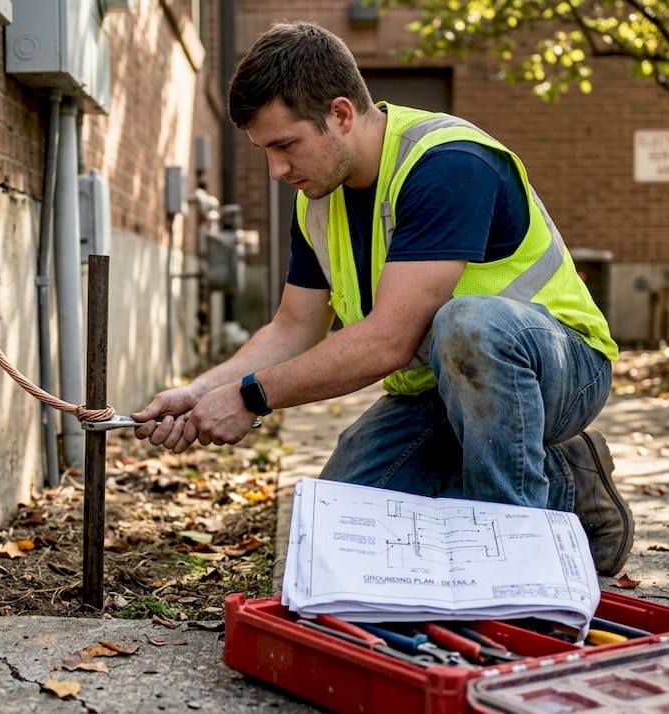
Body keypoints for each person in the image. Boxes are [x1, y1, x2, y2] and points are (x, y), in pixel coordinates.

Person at [133, 21, 633, 576]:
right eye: (264, 152)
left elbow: (389, 342)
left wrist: (250, 399)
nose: (276, 171)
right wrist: (202, 391)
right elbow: (293, 328)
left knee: (471, 323)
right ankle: (566, 480)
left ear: (341, 115)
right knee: (343, 532)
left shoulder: (448, 164)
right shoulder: (317, 201)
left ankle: (512, 558)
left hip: (559, 371)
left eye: (285, 146)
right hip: (437, 393)